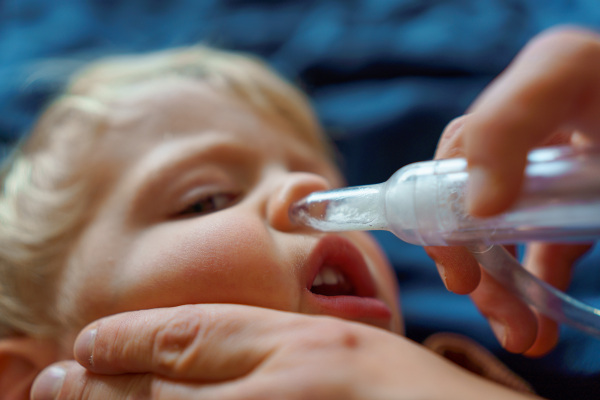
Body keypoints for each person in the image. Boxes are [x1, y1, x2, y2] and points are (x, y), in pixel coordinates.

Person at [0, 45, 538, 399]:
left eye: (326, 183)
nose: (307, 191)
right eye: (207, 199)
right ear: (26, 385)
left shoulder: (444, 381)